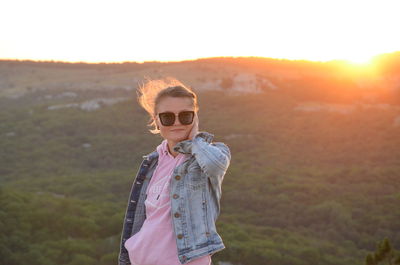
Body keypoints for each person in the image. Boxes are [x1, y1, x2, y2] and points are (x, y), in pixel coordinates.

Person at [118, 78, 231, 265]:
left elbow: (215, 165)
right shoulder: (153, 161)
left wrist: (195, 139)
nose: (176, 123)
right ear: (156, 120)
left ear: (195, 117)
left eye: (185, 116)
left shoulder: (208, 154)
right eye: (167, 117)